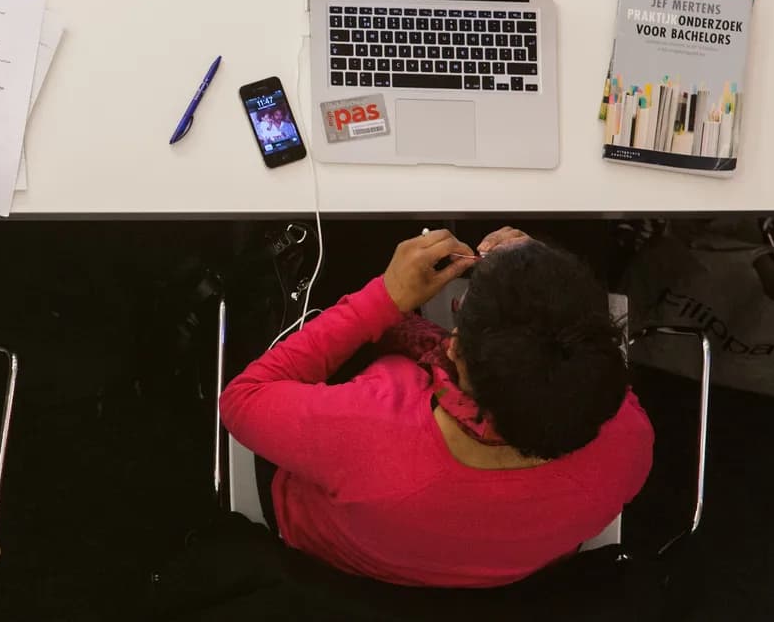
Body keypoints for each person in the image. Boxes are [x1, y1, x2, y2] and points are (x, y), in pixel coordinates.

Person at [220, 228, 654, 588]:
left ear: (457, 354)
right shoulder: (627, 444)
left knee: (339, 263)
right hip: (512, 581)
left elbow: (241, 399)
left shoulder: (364, 429)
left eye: (460, 317)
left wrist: (384, 298)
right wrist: (536, 272)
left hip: (334, 565)